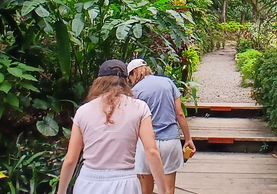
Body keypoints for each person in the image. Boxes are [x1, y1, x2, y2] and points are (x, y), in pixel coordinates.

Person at [57, 59, 173, 194]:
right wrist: (164, 191)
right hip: (125, 182)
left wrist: (61, 192)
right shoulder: (139, 108)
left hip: (88, 182)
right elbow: (152, 151)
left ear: (98, 82)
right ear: (125, 81)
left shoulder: (83, 111)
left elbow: (71, 159)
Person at [127, 58, 196, 194]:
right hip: (170, 142)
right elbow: (180, 113)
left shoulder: (135, 91)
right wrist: (188, 139)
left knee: (145, 190)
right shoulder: (168, 82)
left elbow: (132, 121)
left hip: (146, 145)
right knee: (168, 190)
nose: (131, 81)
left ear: (134, 72)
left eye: (130, 78)